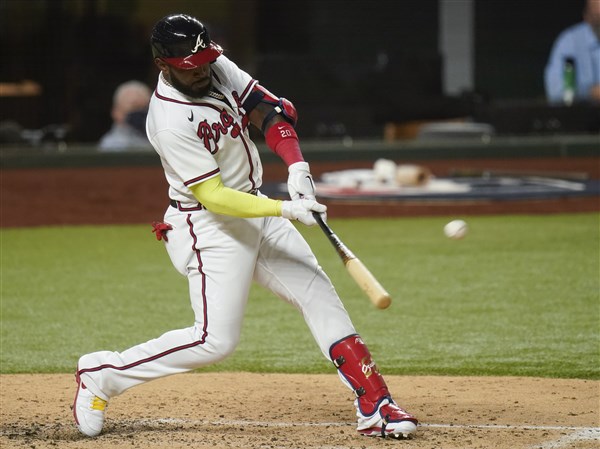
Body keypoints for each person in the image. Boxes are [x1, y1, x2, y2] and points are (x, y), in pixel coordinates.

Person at [72, 13, 418, 441]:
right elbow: (214, 196)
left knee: (318, 294)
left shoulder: (214, 66)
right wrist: (285, 210)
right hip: (209, 225)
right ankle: (101, 375)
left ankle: (376, 404)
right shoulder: (169, 120)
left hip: (255, 207)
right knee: (214, 341)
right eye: (190, 65)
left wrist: (297, 167)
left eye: (205, 58)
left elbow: (268, 110)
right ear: (164, 65)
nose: (202, 70)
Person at [544, 0, 600, 104]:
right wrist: (590, 93)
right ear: (586, 17)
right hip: (580, 115)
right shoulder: (569, 42)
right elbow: (555, 92)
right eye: (598, 18)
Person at [98, 80, 153, 151]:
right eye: (135, 107)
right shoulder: (110, 146)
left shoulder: (160, 138)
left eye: (145, 108)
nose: (141, 113)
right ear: (116, 112)